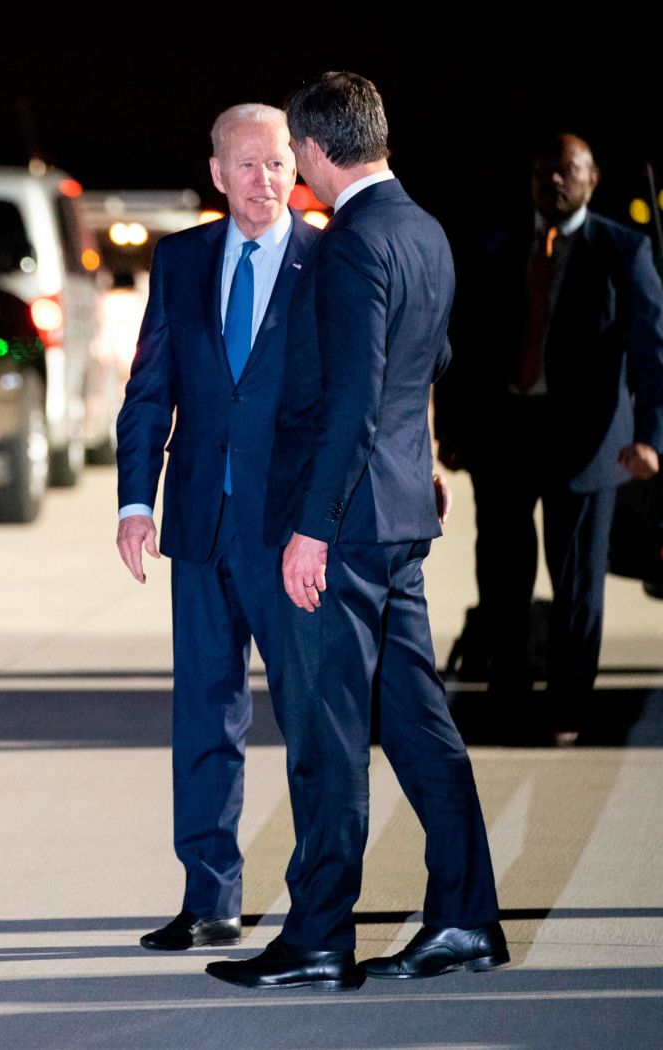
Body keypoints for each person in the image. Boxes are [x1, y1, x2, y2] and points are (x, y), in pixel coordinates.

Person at [208, 72, 505, 990]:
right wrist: (423, 469)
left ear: (319, 151)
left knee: (326, 736)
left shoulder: (349, 246)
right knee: (419, 729)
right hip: (400, 521)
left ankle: (321, 938)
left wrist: (312, 531)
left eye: (294, 151)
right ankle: (466, 920)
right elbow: (428, 366)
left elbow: (348, 406)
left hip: (346, 530)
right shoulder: (424, 230)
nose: (291, 168)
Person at [115, 103, 318, 951]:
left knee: (312, 719)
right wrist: (135, 502)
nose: (264, 181)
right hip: (199, 525)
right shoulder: (182, 259)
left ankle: (320, 901)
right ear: (216, 172)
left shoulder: (329, 255)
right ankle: (210, 897)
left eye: (277, 164)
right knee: (204, 714)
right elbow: (149, 387)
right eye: (246, 165)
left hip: (293, 533)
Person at [437, 134, 663, 743]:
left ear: (592, 180)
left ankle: (568, 707)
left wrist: (651, 438)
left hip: (589, 446)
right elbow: (464, 345)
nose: (554, 181)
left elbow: (650, 351)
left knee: (578, 586)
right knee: (503, 580)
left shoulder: (624, 250)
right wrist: (451, 429)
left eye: (568, 171)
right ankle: (508, 702)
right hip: (503, 437)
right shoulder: (498, 245)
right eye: (544, 171)